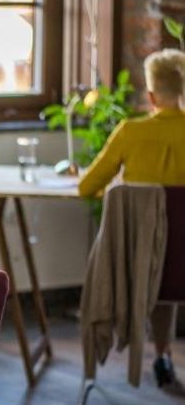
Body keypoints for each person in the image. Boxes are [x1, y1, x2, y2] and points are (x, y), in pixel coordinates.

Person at [78, 48, 185, 388]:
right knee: (170, 250)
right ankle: (164, 356)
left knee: (155, 249)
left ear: (151, 96)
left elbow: (87, 187)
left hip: (140, 268)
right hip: (182, 266)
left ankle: (160, 355)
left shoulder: (129, 133)